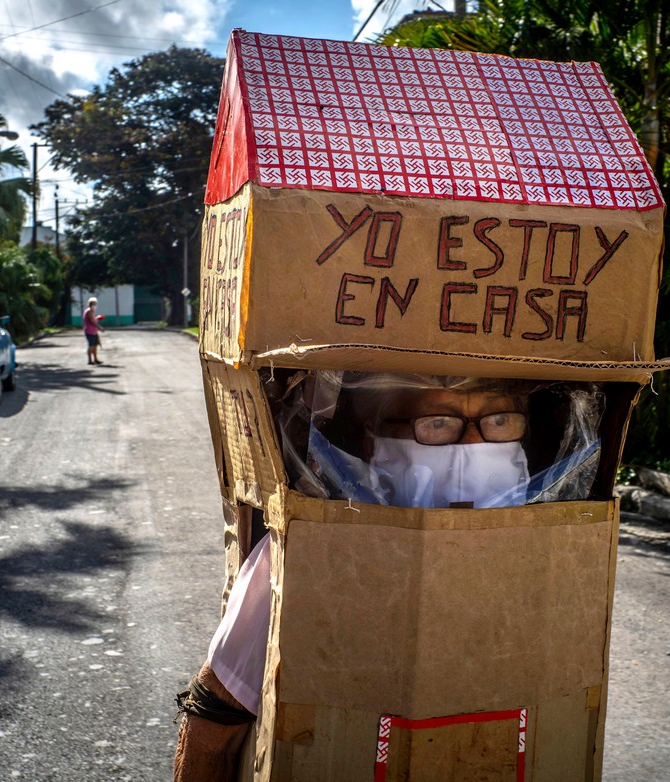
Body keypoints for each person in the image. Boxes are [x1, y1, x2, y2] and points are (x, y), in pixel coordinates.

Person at [173, 373, 603, 781]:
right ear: (373, 437)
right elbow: (213, 723)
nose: (476, 444)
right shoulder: (313, 554)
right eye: (437, 423)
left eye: (499, 420)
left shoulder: (556, 558)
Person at [83, 297, 105, 365]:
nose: (95, 305)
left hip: (93, 331)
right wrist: (99, 327)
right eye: (94, 304)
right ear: (90, 304)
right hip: (89, 331)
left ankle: (95, 359)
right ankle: (90, 360)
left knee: (95, 345)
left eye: (96, 304)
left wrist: (97, 318)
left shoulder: (91, 312)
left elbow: (93, 320)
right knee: (91, 346)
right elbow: (92, 322)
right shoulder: (89, 311)